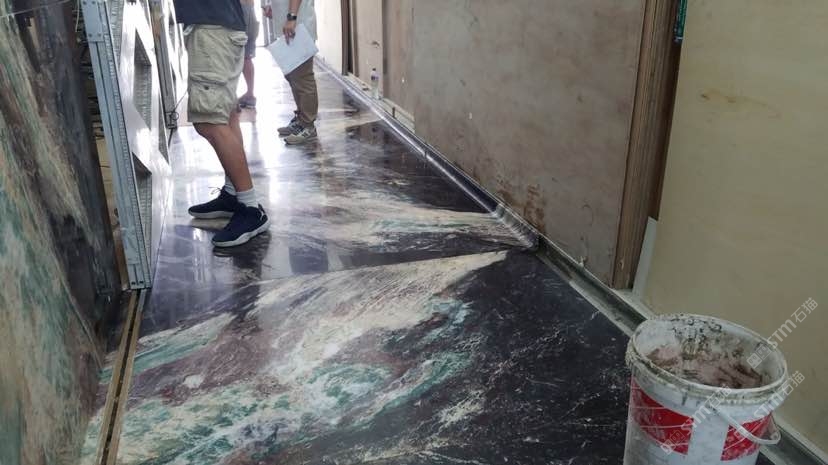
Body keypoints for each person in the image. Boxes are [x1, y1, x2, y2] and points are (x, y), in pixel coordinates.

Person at [174, 0, 270, 247]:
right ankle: (233, 193)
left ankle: (250, 209)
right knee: (225, 115)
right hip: (219, 26)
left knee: (208, 120)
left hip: (213, 29)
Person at [264, 0, 318, 145]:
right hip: (289, 27)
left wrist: (292, 17)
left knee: (303, 78)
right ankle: (301, 120)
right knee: (293, 77)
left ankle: (308, 126)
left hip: (298, 26)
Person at [238, 0, 259, 108]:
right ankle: (250, 95)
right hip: (250, 10)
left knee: (230, 56)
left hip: (238, 10)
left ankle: (229, 98)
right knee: (246, 57)